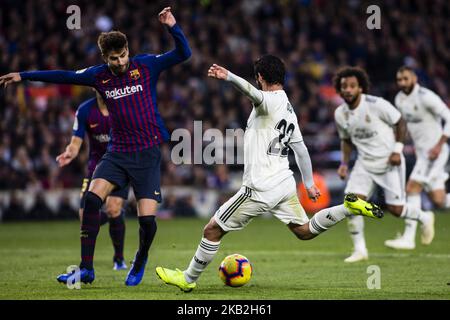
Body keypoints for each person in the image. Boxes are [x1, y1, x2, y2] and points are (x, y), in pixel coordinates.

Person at [155, 55, 383, 292]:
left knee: (212, 229)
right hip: (283, 182)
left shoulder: (270, 101)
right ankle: (348, 208)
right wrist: (308, 184)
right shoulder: (288, 108)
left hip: (260, 187)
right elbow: (302, 150)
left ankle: (188, 278)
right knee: (303, 231)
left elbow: (254, 94)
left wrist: (229, 76)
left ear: (260, 77)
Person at [0, 7, 191, 286]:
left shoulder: (147, 65)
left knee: (147, 221)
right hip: (117, 152)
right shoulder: (98, 75)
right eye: (114, 58)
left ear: (128, 50)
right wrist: (24, 75)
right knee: (91, 200)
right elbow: (64, 75)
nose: (120, 62)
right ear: (105, 58)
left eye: (123, 55)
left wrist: (172, 26)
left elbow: (183, 54)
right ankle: (86, 269)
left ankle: (140, 259)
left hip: (148, 153)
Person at [333, 66, 435, 263]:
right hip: (364, 163)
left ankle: (425, 217)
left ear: (361, 88)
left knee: (396, 210)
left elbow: (400, 122)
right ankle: (360, 250)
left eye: (352, 86)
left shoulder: (376, 104)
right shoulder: (340, 113)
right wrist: (344, 164)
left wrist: (397, 150)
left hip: (389, 161)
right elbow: (345, 140)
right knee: (352, 202)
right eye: (344, 86)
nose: (347, 89)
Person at [56, 91, 129, 269]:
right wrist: (70, 153)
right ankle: (117, 218)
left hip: (121, 166)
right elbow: (76, 141)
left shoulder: (123, 106)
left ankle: (119, 259)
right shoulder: (85, 110)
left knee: (112, 208)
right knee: (84, 218)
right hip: (96, 168)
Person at [384, 66, 450, 250]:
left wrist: (439, 145)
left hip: (434, 153)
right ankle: (410, 235)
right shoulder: (399, 99)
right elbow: (402, 126)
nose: (402, 83)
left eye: (405, 79)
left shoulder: (426, 96)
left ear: (414, 78)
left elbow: (448, 116)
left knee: (412, 188)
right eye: (399, 80)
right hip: (423, 153)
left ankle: (408, 238)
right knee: (439, 200)